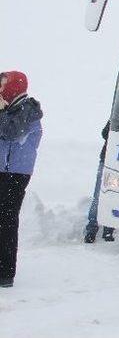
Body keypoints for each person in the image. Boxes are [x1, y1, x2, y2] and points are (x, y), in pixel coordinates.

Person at [0, 71, 43, 288]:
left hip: (15, 173)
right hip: (4, 170)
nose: (1, 88)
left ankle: (5, 273)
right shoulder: (10, 109)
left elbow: (10, 132)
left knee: (7, 220)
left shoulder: (27, 109)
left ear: (15, 86)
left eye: (4, 84)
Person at [84, 121, 115, 243]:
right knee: (104, 195)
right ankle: (101, 229)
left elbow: (104, 133)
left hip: (112, 159)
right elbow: (104, 133)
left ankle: (96, 229)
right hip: (108, 159)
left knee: (104, 195)